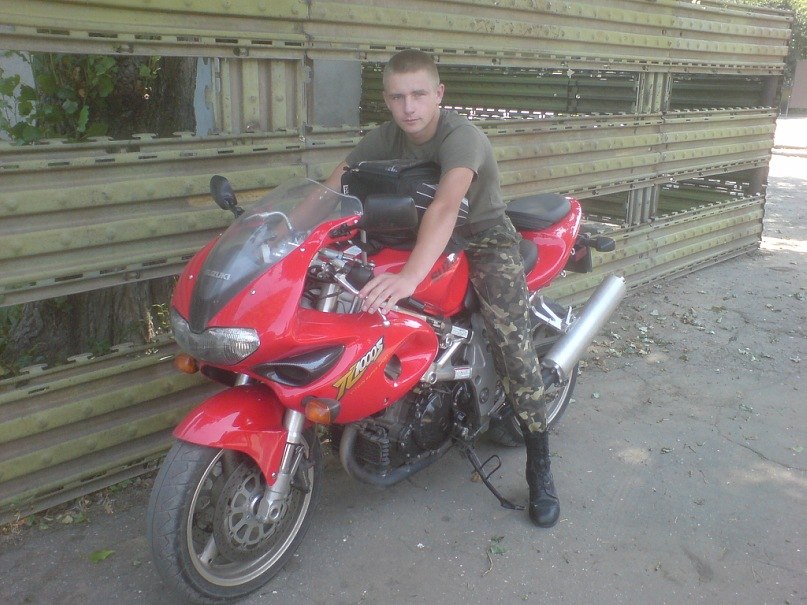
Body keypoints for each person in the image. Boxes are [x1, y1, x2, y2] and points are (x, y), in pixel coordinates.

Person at [322, 49, 560, 528]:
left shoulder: (461, 136)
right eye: (397, 97)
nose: (409, 107)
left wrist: (409, 276)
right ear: (387, 100)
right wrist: (296, 231)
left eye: (418, 94)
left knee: (511, 346)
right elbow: (331, 191)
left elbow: (447, 206)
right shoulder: (384, 137)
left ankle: (540, 464)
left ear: (438, 94)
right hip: (417, 236)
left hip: (483, 238)